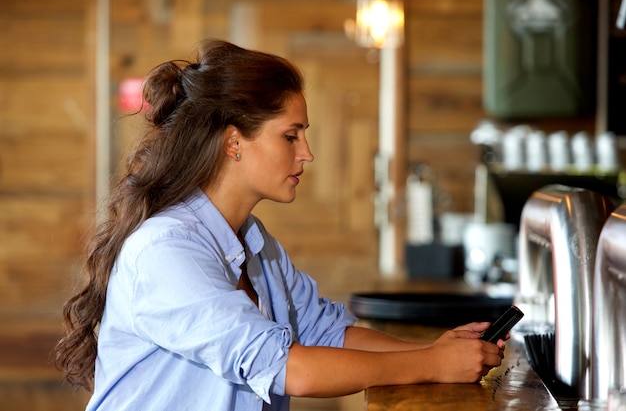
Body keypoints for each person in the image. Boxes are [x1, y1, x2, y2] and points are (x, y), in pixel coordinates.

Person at [55, 39, 506, 411]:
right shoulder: (166, 250)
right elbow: (290, 368)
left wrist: (439, 350)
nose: (306, 152)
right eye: (291, 136)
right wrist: (432, 364)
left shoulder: (254, 241)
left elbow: (324, 332)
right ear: (234, 141)